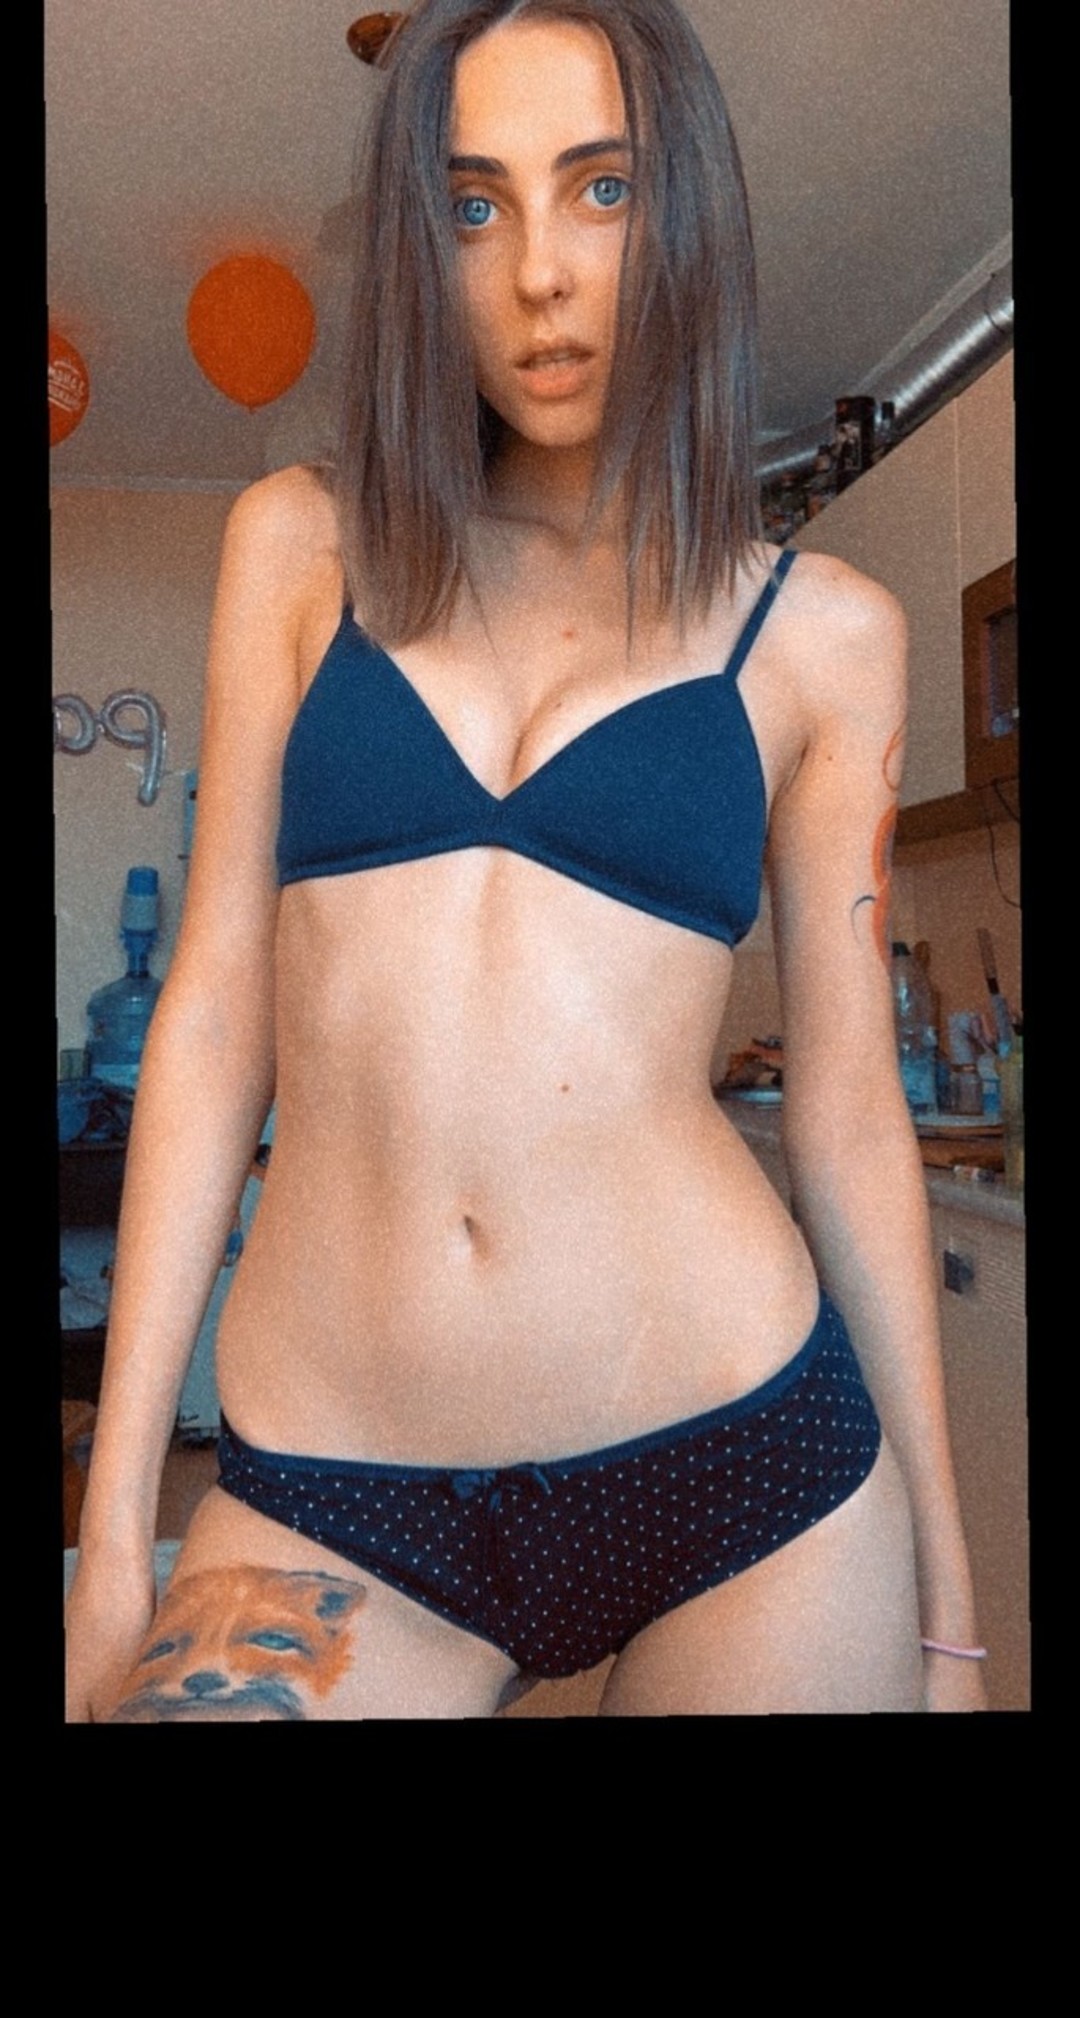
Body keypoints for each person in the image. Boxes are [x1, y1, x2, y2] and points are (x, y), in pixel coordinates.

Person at [65, 0, 984, 1719]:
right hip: (334, 1491)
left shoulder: (823, 633)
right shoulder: (301, 549)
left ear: (684, 210)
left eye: (602, 188)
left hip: (741, 1471)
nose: (539, 272)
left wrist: (951, 1606)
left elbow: (853, 1110)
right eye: (475, 204)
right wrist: (116, 1528)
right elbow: (212, 1016)